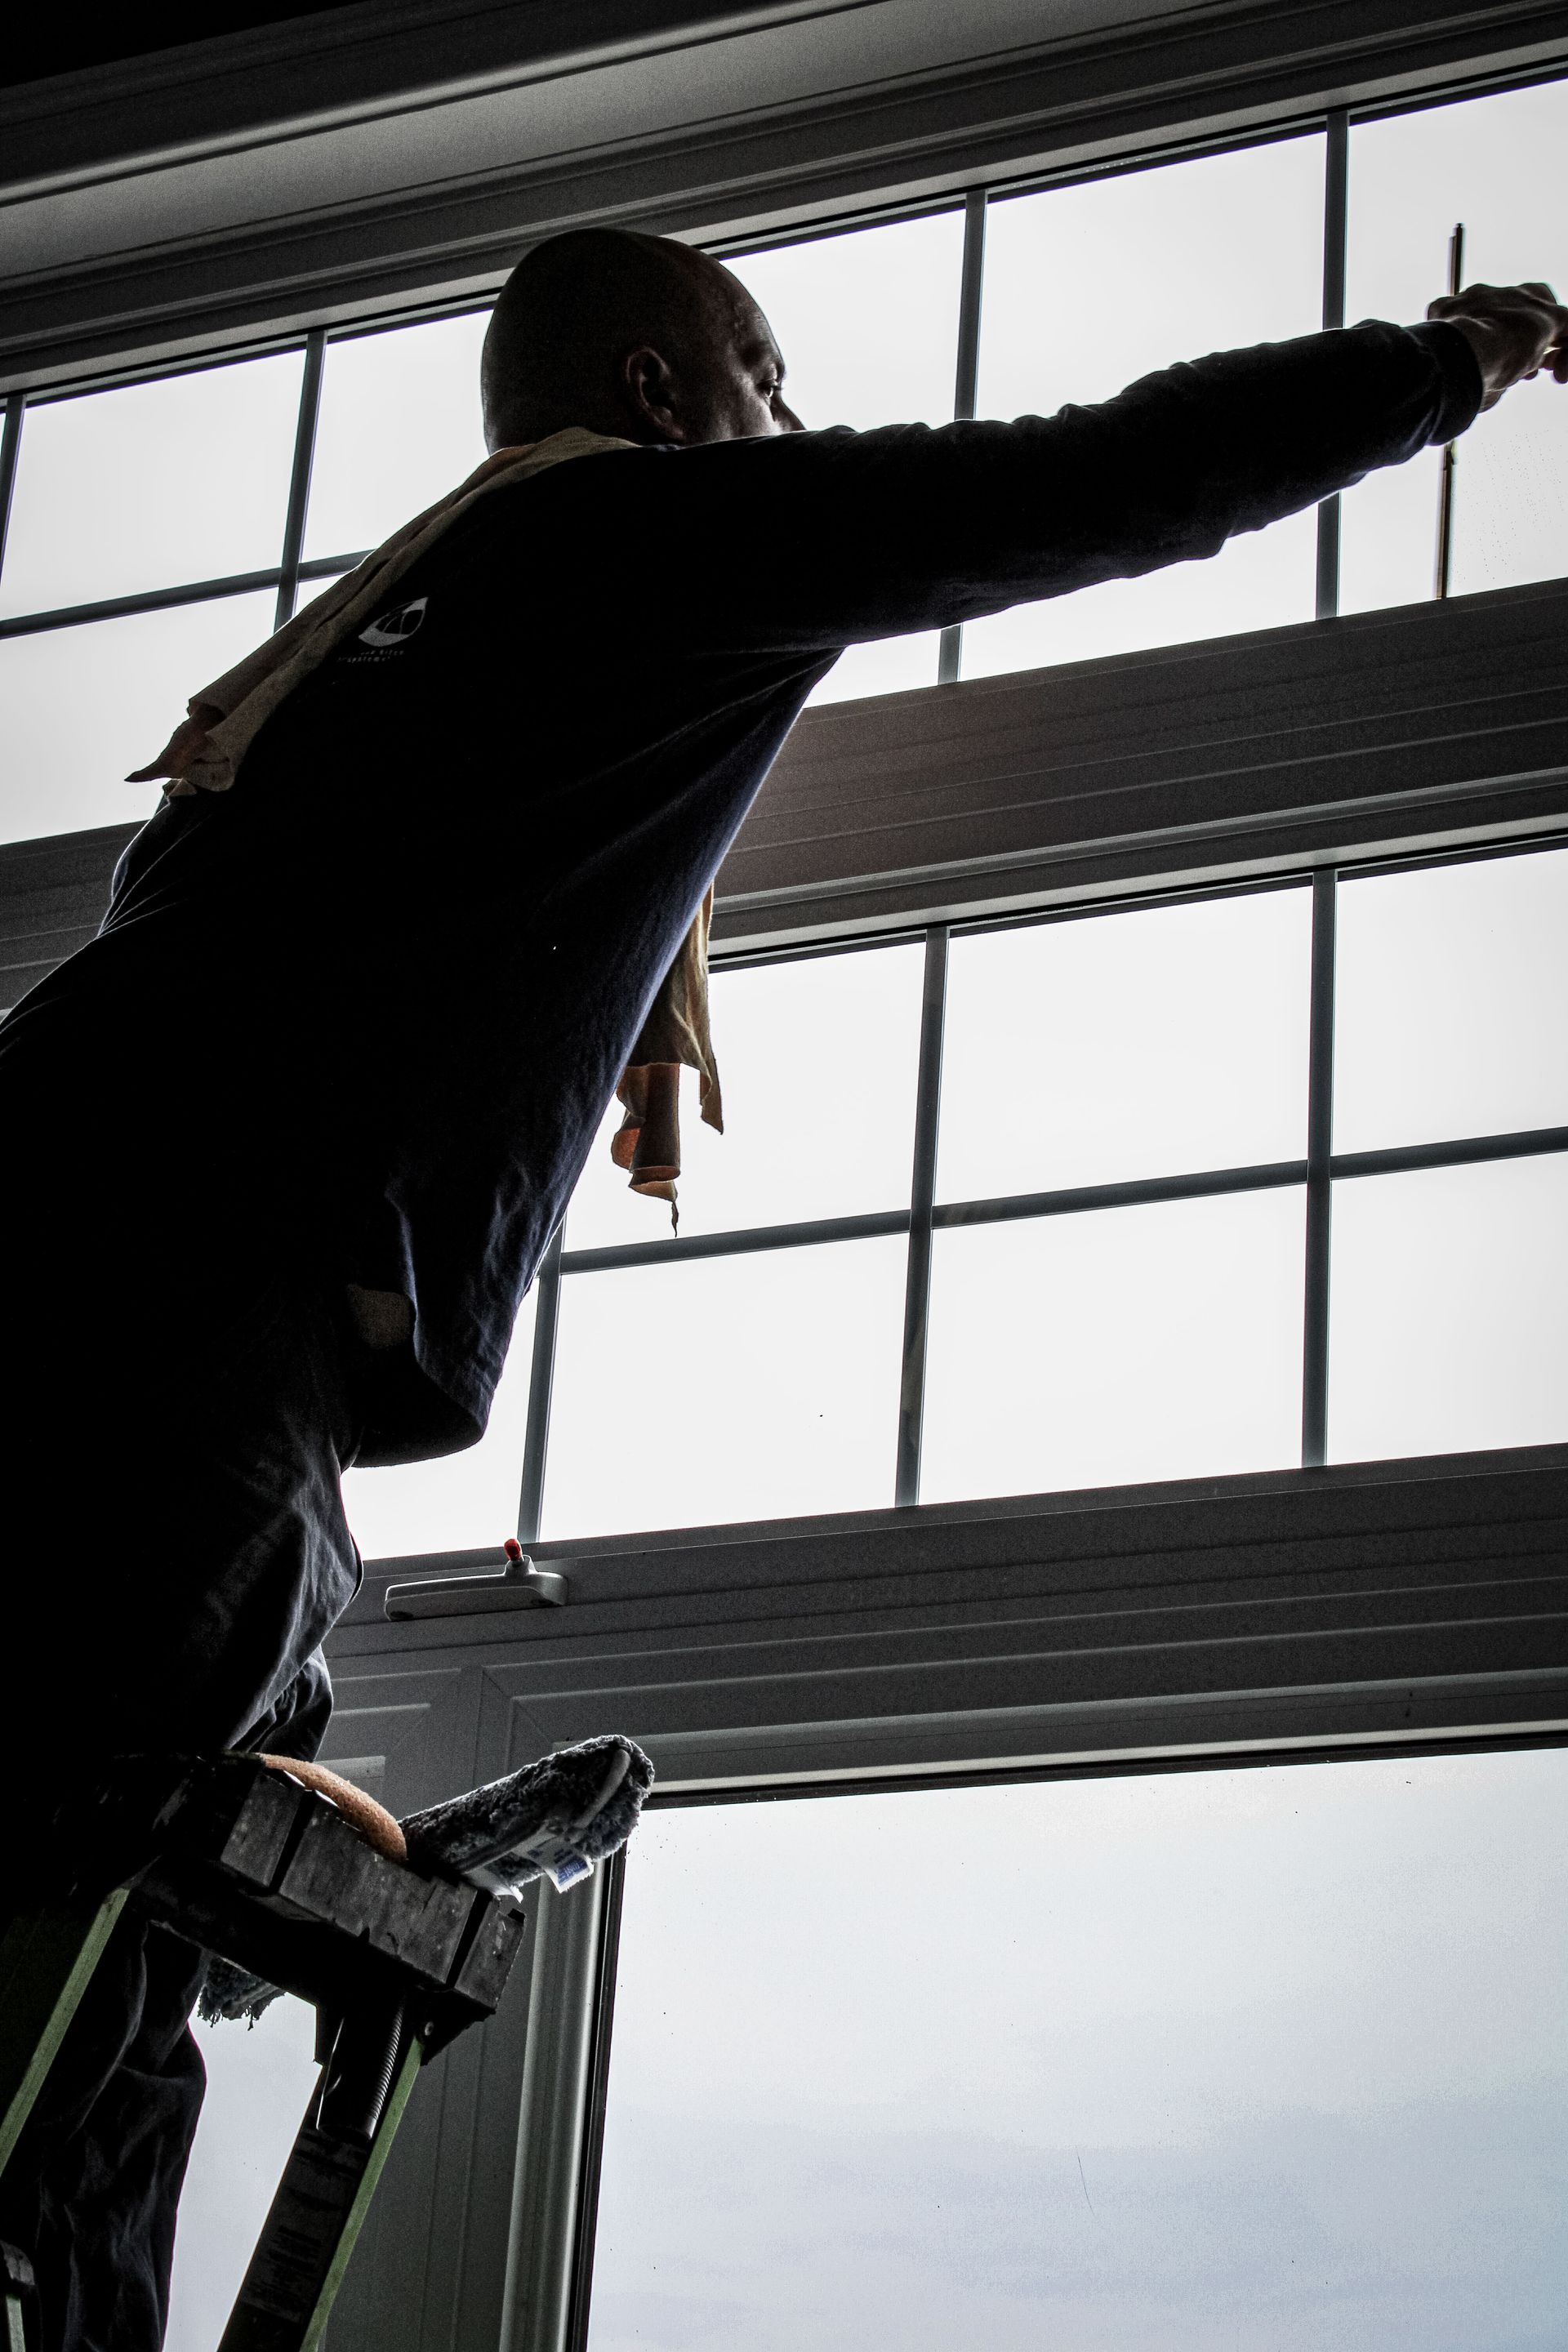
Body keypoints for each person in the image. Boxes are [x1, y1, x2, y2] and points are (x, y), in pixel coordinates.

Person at [0, 225, 1563, 2350]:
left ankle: (267, 1832)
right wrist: (1447, 360)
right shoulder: (644, 535)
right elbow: (1093, 476)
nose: (795, 425)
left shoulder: (381, 653)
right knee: (86, 1899)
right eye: (769, 378)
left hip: (81, 1228)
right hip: (195, 1285)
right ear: (663, 397)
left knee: (126, 1794)